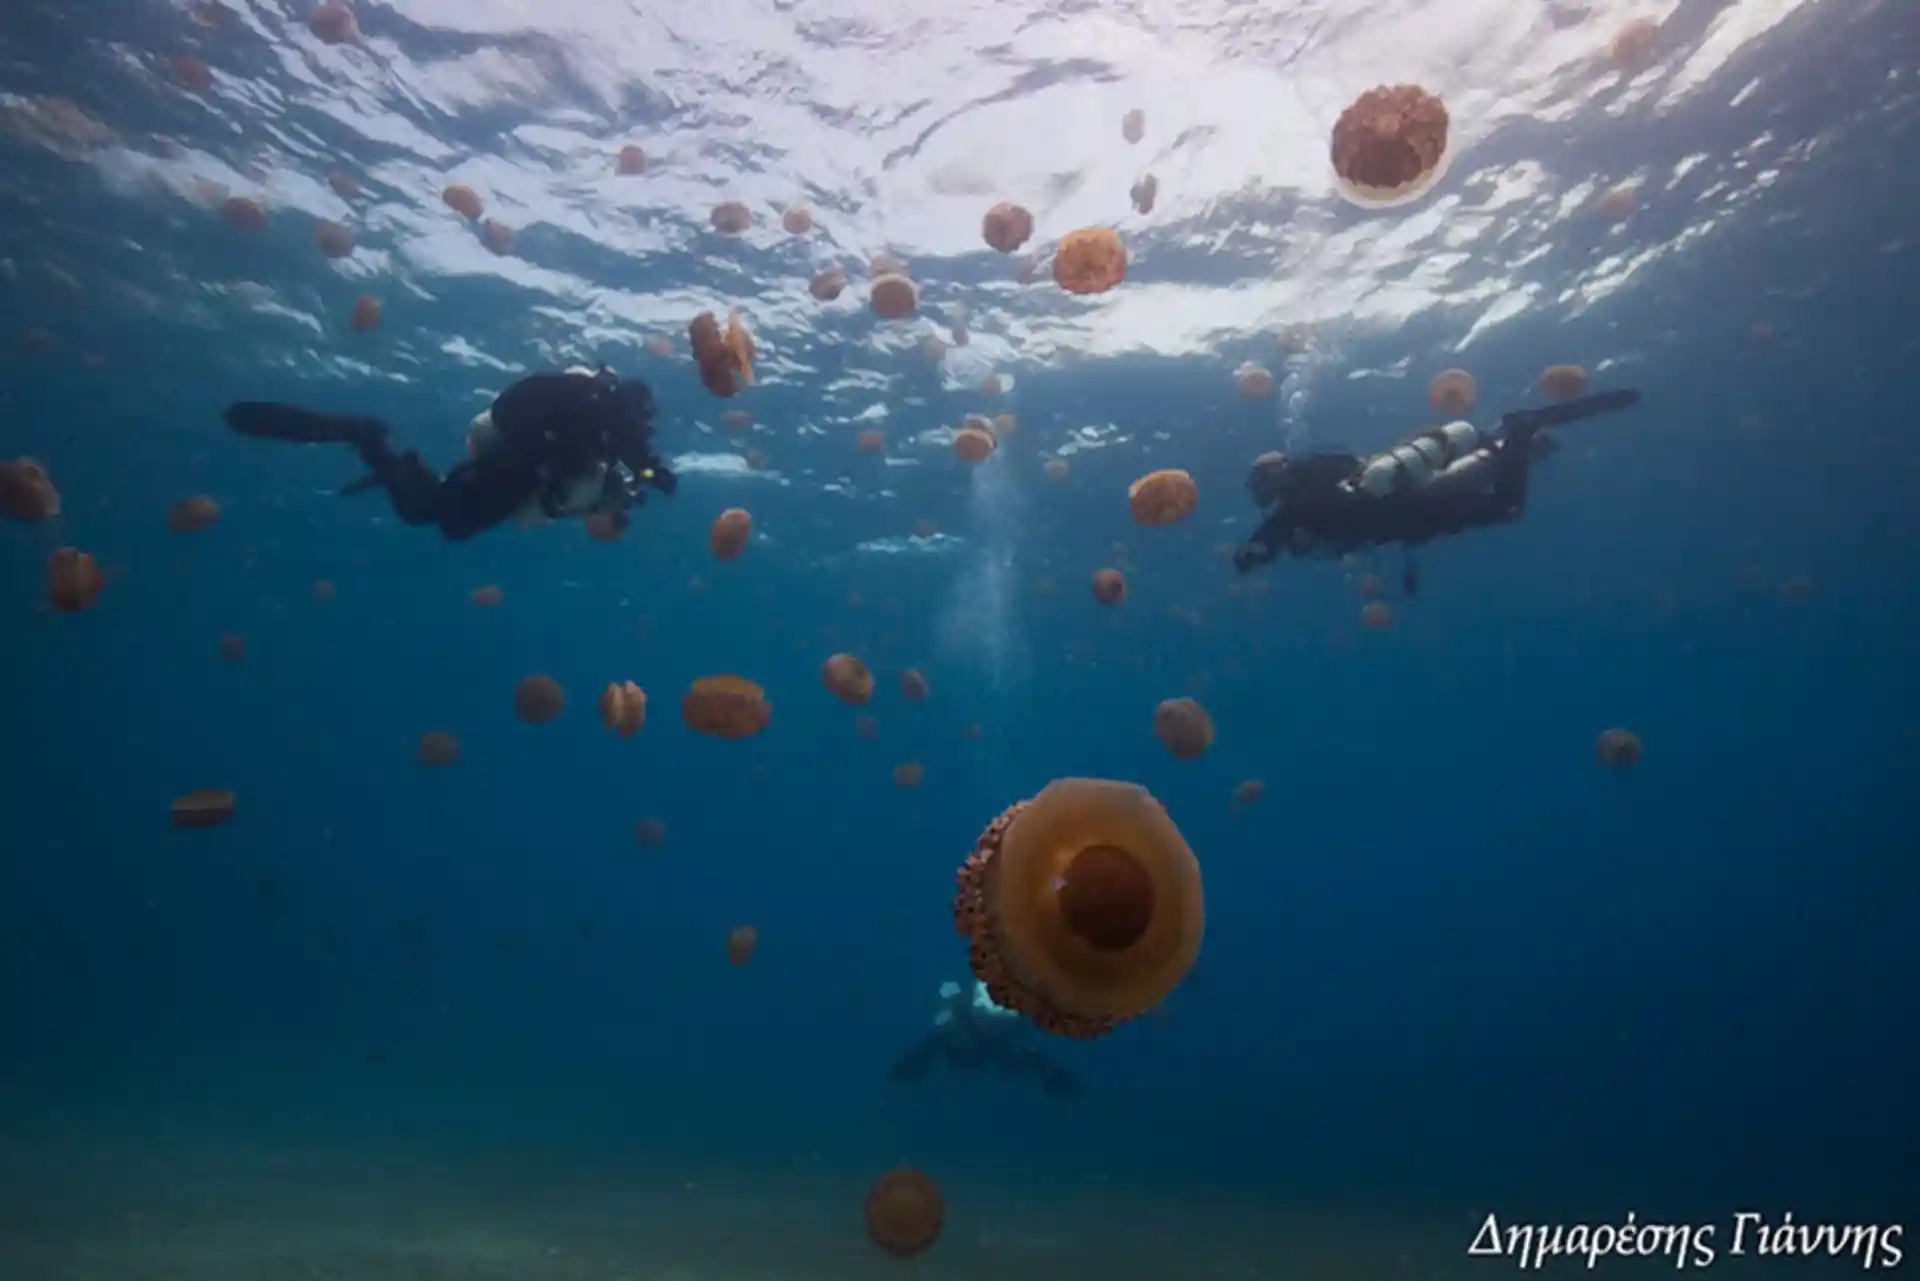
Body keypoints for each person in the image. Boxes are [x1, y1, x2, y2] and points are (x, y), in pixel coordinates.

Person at [222, 365, 677, 541]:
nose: (642, 428)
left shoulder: (594, 412)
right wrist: (659, 478)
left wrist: (644, 478)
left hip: (516, 467)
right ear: (631, 406)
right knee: (442, 517)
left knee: (440, 513)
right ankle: (367, 440)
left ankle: (386, 455)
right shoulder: (605, 415)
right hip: (514, 468)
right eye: (644, 418)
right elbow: (636, 457)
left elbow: (626, 459)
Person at [1231, 388, 1640, 573]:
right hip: (1412, 506)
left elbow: (1265, 540)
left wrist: (1251, 554)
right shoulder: (1308, 487)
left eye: (1259, 484)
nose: (1261, 494)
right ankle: (1518, 441)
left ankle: (1520, 432)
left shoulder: (1295, 503)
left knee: (1506, 507)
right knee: (1493, 481)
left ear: (1272, 477)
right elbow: (1268, 540)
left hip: (1414, 506)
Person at [888, 979, 1081, 1099]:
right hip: (971, 1043)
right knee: (942, 1044)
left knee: (1023, 1057)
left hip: (991, 1045)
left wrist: (1051, 1075)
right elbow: (936, 1040)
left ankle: (1059, 1083)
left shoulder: (1006, 1029)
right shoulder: (960, 1018)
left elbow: (1028, 1055)